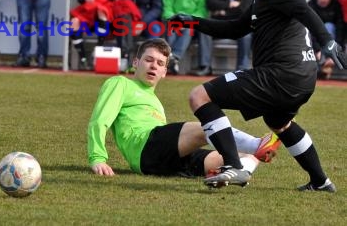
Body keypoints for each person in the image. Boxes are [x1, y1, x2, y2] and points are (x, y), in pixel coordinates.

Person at [172, 0, 346, 191]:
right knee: (278, 122)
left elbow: (304, 10)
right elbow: (236, 27)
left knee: (200, 96)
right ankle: (321, 181)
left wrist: (329, 41)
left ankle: (233, 165)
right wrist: (194, 22)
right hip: (301, 77)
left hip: (281, 74)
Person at [87, 38, 281, 178]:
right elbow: (100, 120)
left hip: (162, 160)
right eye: (149, 60)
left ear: (164, 72)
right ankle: (257, 145)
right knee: (205, 128)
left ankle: (232, 173)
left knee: (243, 158)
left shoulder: (155, 102)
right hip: (145, 147)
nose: (154, 66)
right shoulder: (120, 83)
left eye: (160, 63)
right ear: (136, 63)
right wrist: (98, 158)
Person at [190, 0, 255, 76]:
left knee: (247, 34)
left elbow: (244, 9)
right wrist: (230, 4)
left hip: (238, 24)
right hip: (219, 24)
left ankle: (242, 70)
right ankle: (205, 67)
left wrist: (223, 11)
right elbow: (210, 3)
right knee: (204, 30)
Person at [69, 0, 116, 70]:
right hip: (87, 19)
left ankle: (97, 52)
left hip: (103, 22)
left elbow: (112, 1)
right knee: (74, 21)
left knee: (101, 10)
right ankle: (83, 59)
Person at [114, 0, 163, 68]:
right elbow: (118, 2)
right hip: (128, 20)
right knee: (120, 24)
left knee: (155, 29)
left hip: (147, 20)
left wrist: (143, 22)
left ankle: (151, 63)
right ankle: (124, 58)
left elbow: (157, 8)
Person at [162, 0, 208, 75]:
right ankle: (173, 60)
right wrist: (176, 19)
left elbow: (202, 11)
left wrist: (186, 20)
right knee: (171, 26)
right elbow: (167, 7)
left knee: (189, 27)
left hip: (192, 23)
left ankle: (173, 57)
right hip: (173, 20)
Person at [307, 0, 344, 79]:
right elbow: (310, 30)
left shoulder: (337, 6)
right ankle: (324, 65)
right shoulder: (311, 6)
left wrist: (337, 51)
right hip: (316, 43)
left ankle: (328, 62)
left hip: (332, 41)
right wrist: (317, 50)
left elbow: (341, 29)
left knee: (329, 26)